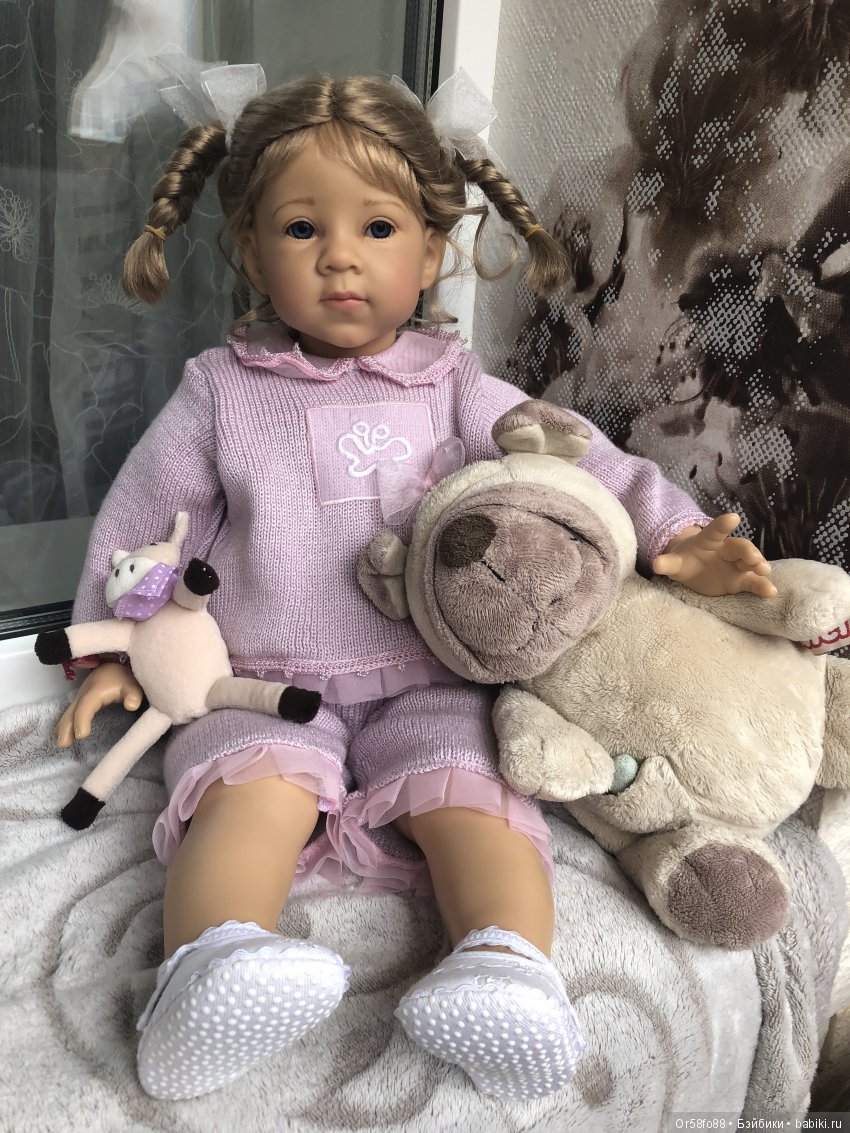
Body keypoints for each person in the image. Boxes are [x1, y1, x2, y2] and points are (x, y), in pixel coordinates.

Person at [58, 69, 776, 1104]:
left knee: (478, 802)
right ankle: (210, 968)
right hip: (262, 679)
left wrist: (672, 532)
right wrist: (115, 644)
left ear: (432, 250)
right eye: (300, 228)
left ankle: (506, 969)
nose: (340, 255)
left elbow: (578, 458)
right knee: (247, 796)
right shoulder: (220, 391)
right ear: (250, 249)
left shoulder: (453, 384)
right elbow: (144, 522)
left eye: (379, 228)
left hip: (432, 671)